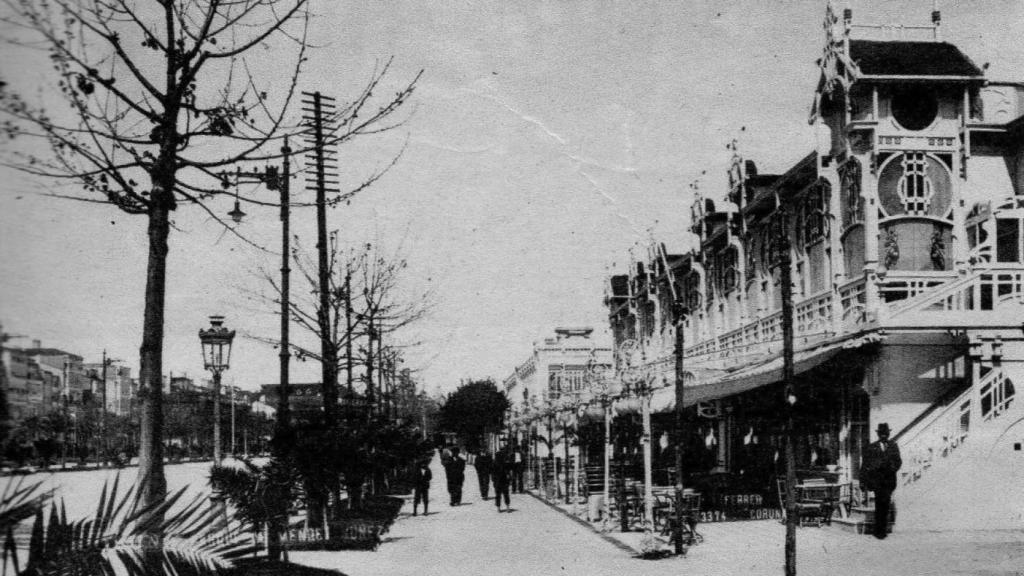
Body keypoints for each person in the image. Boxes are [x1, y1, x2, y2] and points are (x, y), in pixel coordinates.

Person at [861, 422, 902, 539]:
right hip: (877, 481)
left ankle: (882, 530)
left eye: (886, 433)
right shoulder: (871, 447)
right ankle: (879, 531)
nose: (884, 435)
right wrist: (863, 481)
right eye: (881, 433)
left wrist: (892, 468)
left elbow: (898, 461)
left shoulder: (893, 445)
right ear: (878, 434)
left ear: (888, 434)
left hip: (889, 481)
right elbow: (865, 464)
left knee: (886, 505)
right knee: (879, 505)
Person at [493, 440, 512, 512]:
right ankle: (507, 507)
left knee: (498, 494)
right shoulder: (505, 458)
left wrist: (493, 480)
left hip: (498, 479)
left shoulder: (496, 461)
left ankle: (498, 508)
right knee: (505, 493)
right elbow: (508, 469)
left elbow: (493, 471)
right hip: (503, 478)